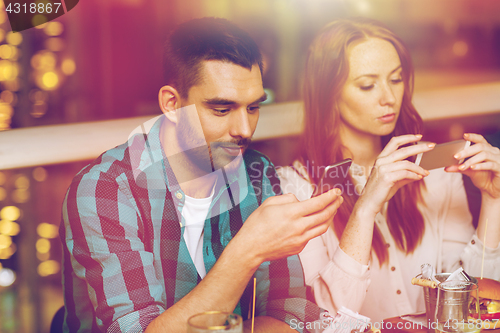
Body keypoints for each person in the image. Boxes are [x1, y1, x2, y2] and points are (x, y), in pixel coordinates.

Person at [59, 17, 343, 333]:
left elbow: (290, 313)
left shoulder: (257, 172)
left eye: (252, 108)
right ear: (171, 103)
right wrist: (248, 250)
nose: (244, 130)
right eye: (221, 110)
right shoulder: (105, 191)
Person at [278, 18, 500, 323]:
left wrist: (493, 200)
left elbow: (468, 303)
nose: (389, 98)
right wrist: (365, 208)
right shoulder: (296, 188)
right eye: (367, 85)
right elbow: (327, 321)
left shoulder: (435, 169)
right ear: (328, 93)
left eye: (396, 79)